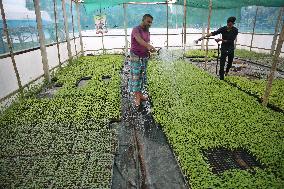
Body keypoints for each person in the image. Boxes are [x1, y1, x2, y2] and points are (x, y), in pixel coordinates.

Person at [129, 14, 156, 107]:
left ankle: (140, 94)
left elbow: (147, 42)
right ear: (143, 20)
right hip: (136, 56)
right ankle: (137, 97)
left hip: (144, 56)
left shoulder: (147, 31)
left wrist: (149, 51)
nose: (150, 24)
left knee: (142, 75)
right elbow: (139, 40)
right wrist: (148, 46)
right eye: (148, 21)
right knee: (136, 76)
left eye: (151, 22)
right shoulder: (136, 29)